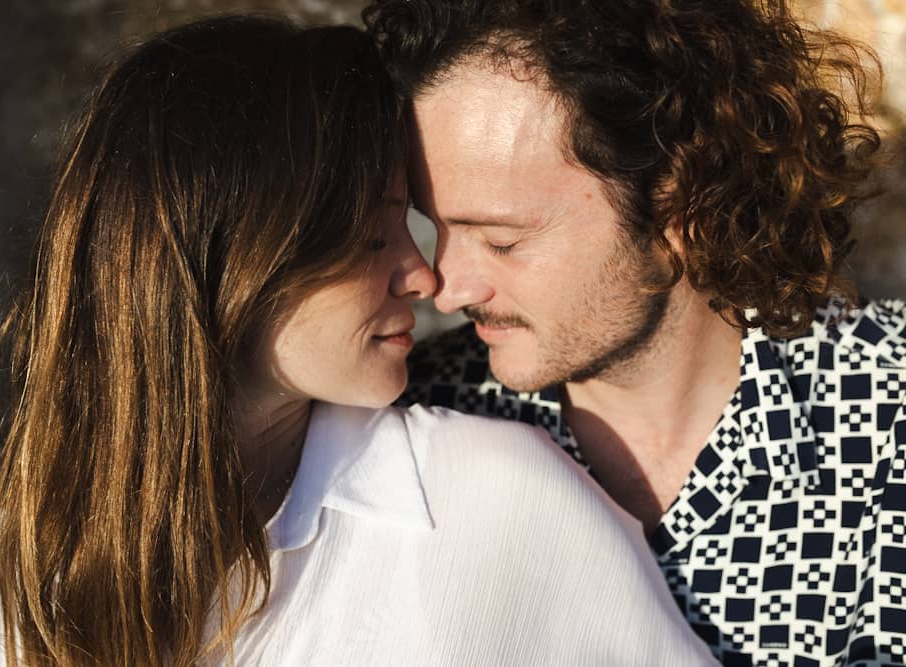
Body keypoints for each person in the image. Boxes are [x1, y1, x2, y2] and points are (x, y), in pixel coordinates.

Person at [0, 14, 716, 667]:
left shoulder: (496, 496)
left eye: (414, 228)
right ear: (227, 260)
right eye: (372, 239)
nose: (427, 279)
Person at [364, 0, 906, 665]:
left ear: (681, 203)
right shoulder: (407, 432)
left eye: (502, 240)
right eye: (436, 228)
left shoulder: (887, 409)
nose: (447, 287)